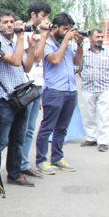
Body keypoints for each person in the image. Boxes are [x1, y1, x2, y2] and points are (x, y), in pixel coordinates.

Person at [0, 10, 36, 187]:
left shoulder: (16, 42)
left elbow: (27, 67)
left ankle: (14, 174)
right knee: (0, 142)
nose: (9, 25)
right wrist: (21, 37)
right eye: (5, 22)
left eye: (12, 21)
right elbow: (15, 61)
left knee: (18, 140)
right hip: (4, 100)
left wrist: (30, 48)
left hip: (21, 97)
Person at [35, 12, 83, 174]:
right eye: (64, 29)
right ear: (55, 27)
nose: (67, 32)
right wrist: (67, 41)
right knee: (47, 127)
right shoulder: (48, 43)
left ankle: (57, 157)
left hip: (70, 90)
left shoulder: (67, 43)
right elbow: (55, 59)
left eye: (69, 29)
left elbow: (77, 62)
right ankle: (41, 160)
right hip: (55, 90)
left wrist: (80, 45)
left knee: (62, 128)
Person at [20, 0, 51, 178]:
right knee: (23, 128)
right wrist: (44, 36)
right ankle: (18, 164)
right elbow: (37, 57)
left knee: (31, 128)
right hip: (27, 84)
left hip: (38, 83)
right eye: (43, 16)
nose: (45, 20)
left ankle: (24, 163)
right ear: (33, 14)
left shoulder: (39, 32)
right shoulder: (25, 32)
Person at [79, 29, 109, 152]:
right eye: (97, 37)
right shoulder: (84, 52)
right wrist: (86, 78)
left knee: (104, 115)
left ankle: (103, 141)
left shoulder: (108, 51)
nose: (100, 39)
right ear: (91, 38)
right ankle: (92, 137)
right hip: (88, 88)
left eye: (102, 36)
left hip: (105, 88)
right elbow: (79, 68)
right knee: (89, 114)